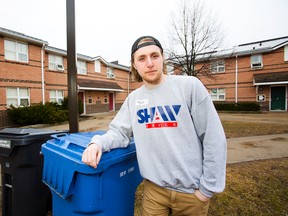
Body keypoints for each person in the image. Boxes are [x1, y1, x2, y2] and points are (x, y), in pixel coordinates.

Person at [82, 36, 227, 216]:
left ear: (162, 57)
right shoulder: (133, 100)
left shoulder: (189, 86)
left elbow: (213, 137)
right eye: (141, 58)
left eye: (154, 56)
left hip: (191, 192)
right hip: (154, 191)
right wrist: (97, 143)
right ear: (134, 65)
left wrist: (207, 189)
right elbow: (119, 132)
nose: (149, 63)